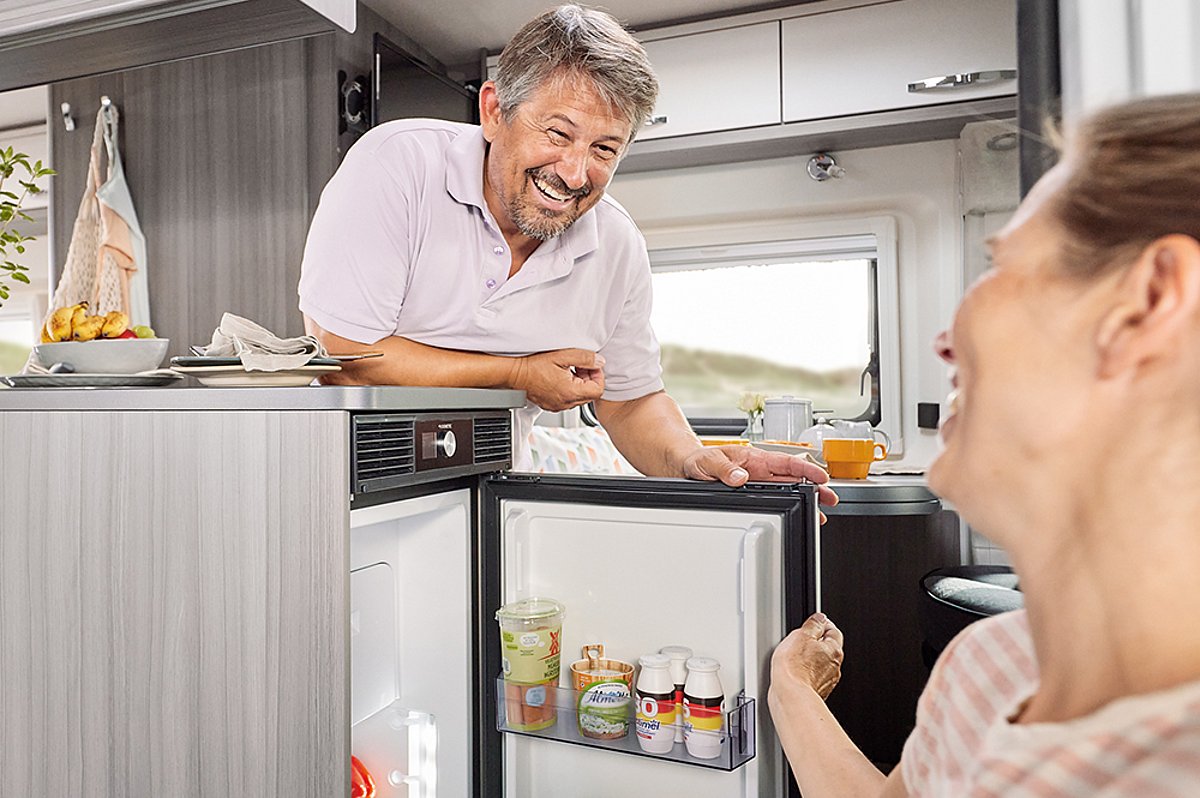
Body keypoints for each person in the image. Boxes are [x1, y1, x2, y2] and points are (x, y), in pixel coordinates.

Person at [769, 93, 1200, 796]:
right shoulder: (991, 660)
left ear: (1148, 303)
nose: (944, 339)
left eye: (1002, 265)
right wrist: (791, 688)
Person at [297, 4, 836, 506]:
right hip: (346, 486)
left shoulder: (617, 245)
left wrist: (694, 457)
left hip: (498, 497)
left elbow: (630, 401)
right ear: (493, 110)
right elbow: (346, 356)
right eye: (558, 133)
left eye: (604, 149)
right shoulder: (398, 165)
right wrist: (519, 374)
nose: (576, 175)